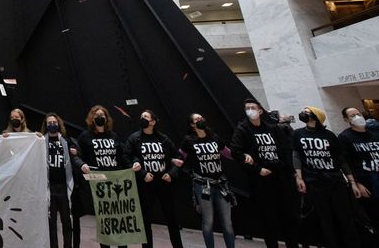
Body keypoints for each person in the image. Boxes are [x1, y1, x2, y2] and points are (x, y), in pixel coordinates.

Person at [230, 99, 297, 248]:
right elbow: (236, 151)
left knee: (287, 216)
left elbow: (284, 149)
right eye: (247, 108)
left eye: (253, 107)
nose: (250, 110)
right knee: (268, 218)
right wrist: (257, 168)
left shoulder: (273, 129)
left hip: (279, 176)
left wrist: (291, 172)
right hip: (261, 180)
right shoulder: (243, 129)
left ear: (260, 111)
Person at [292, 106, 360, 248]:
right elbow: (296, 156)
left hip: (335, 180)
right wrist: (299, 177)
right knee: (324, 219)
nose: (303, 114)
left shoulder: (329, 135)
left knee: (345, 217)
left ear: (315, 116)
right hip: (314, 181)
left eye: (307, 112)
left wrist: (352, 181)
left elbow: (340, 159)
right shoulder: (298, 134)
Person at [72, 105, 136, 248]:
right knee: (104, 219)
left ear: (106, 118)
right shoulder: (85, 136)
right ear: (92, 118)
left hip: (115, 179)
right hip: (98, 181)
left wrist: (133, 164)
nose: (99, 117)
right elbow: (77, 154)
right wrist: (81, 163)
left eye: (102, 115)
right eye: (96, 115)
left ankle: (122, 245)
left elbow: (123, 155)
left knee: (119, 216)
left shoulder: (113, 135)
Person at [124, 110, 184, 248]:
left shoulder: (163, 139)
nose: (142, 119)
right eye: (141, 117)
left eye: (145, 117)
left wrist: (172, 174)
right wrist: (142, 174)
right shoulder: (134, 138)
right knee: (145, 221)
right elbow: (126, 158)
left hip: (164, 183)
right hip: (146, 184)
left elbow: (179, 158)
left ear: (153, 121)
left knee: (172, 220)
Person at [179, 113, 235, 248]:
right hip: (203, 185)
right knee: (208, 222)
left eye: (202, 118)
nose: (201, 120)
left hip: (220, 184)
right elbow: (180, 156)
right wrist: (174, 161)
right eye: (197, 119)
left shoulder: (214, 137)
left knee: (227, 223)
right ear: (192, 125)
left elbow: (227, 153)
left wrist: (242, 155)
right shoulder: (188, 141)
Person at [339, 107, 379, 243]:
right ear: (346, 119)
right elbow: (347, 162)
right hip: (367, 182)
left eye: (358, 114)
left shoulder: (374, 133)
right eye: (352, 116)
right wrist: (356, 183)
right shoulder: (345, 137)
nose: (357, 117)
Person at [42, 113, 73, 248]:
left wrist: (75, 151)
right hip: (49, 187)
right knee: (51, 223)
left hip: (64, 187)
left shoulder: (66, 141)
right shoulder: (41, 141)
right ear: (46, 125)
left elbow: (76, 153)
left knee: (67, 222)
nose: (52, 125)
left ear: (58, 124)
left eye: (54, 122)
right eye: (49, 122)